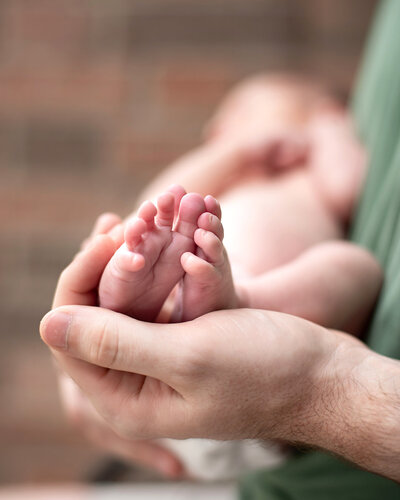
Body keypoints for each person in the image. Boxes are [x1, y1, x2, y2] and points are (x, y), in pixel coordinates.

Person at [40, 0, 400, 497]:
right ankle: (144, 293)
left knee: (354, 267)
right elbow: (164, 195)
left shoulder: (313, 167)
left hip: (272, 388)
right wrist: (231, 154)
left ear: (317, 112)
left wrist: (325, 129)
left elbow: (348, 181)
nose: (218, 132)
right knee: (146, 226)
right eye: (218, 128)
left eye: (241, 112)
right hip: (166, 377)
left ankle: (240, 305)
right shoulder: (225, 184)